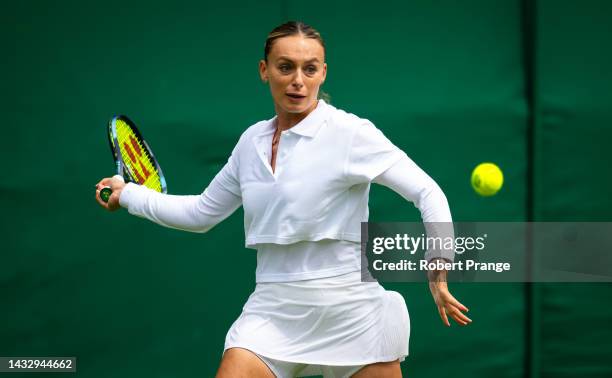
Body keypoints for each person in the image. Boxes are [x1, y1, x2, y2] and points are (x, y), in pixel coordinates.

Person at [95, 21, 471, 378]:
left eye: (310, 69)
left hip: (351, 311)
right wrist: (129, 195)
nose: (298, 81)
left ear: (323, 72)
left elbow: (427, 191)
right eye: (285, 67)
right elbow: (200, 213)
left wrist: (439, 263)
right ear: (264, 70)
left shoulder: (350, 133)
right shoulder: (250, 144)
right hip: (272, 310)